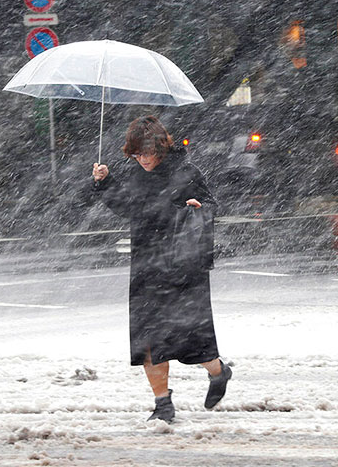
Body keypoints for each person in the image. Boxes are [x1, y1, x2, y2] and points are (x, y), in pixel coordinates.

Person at [91, 115, 232, 423]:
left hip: (183, 266)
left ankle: (219, 372)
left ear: (161, 147)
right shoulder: (134, 174)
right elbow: (126, 208)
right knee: (148, 341)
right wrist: (104, 183)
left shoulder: (186, 172)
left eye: (146, 153)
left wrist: (198, 207)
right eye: (136, 154)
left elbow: (210, 206)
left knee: (193, 342)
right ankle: (163, 404)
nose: (142, 159)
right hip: (146, 265)